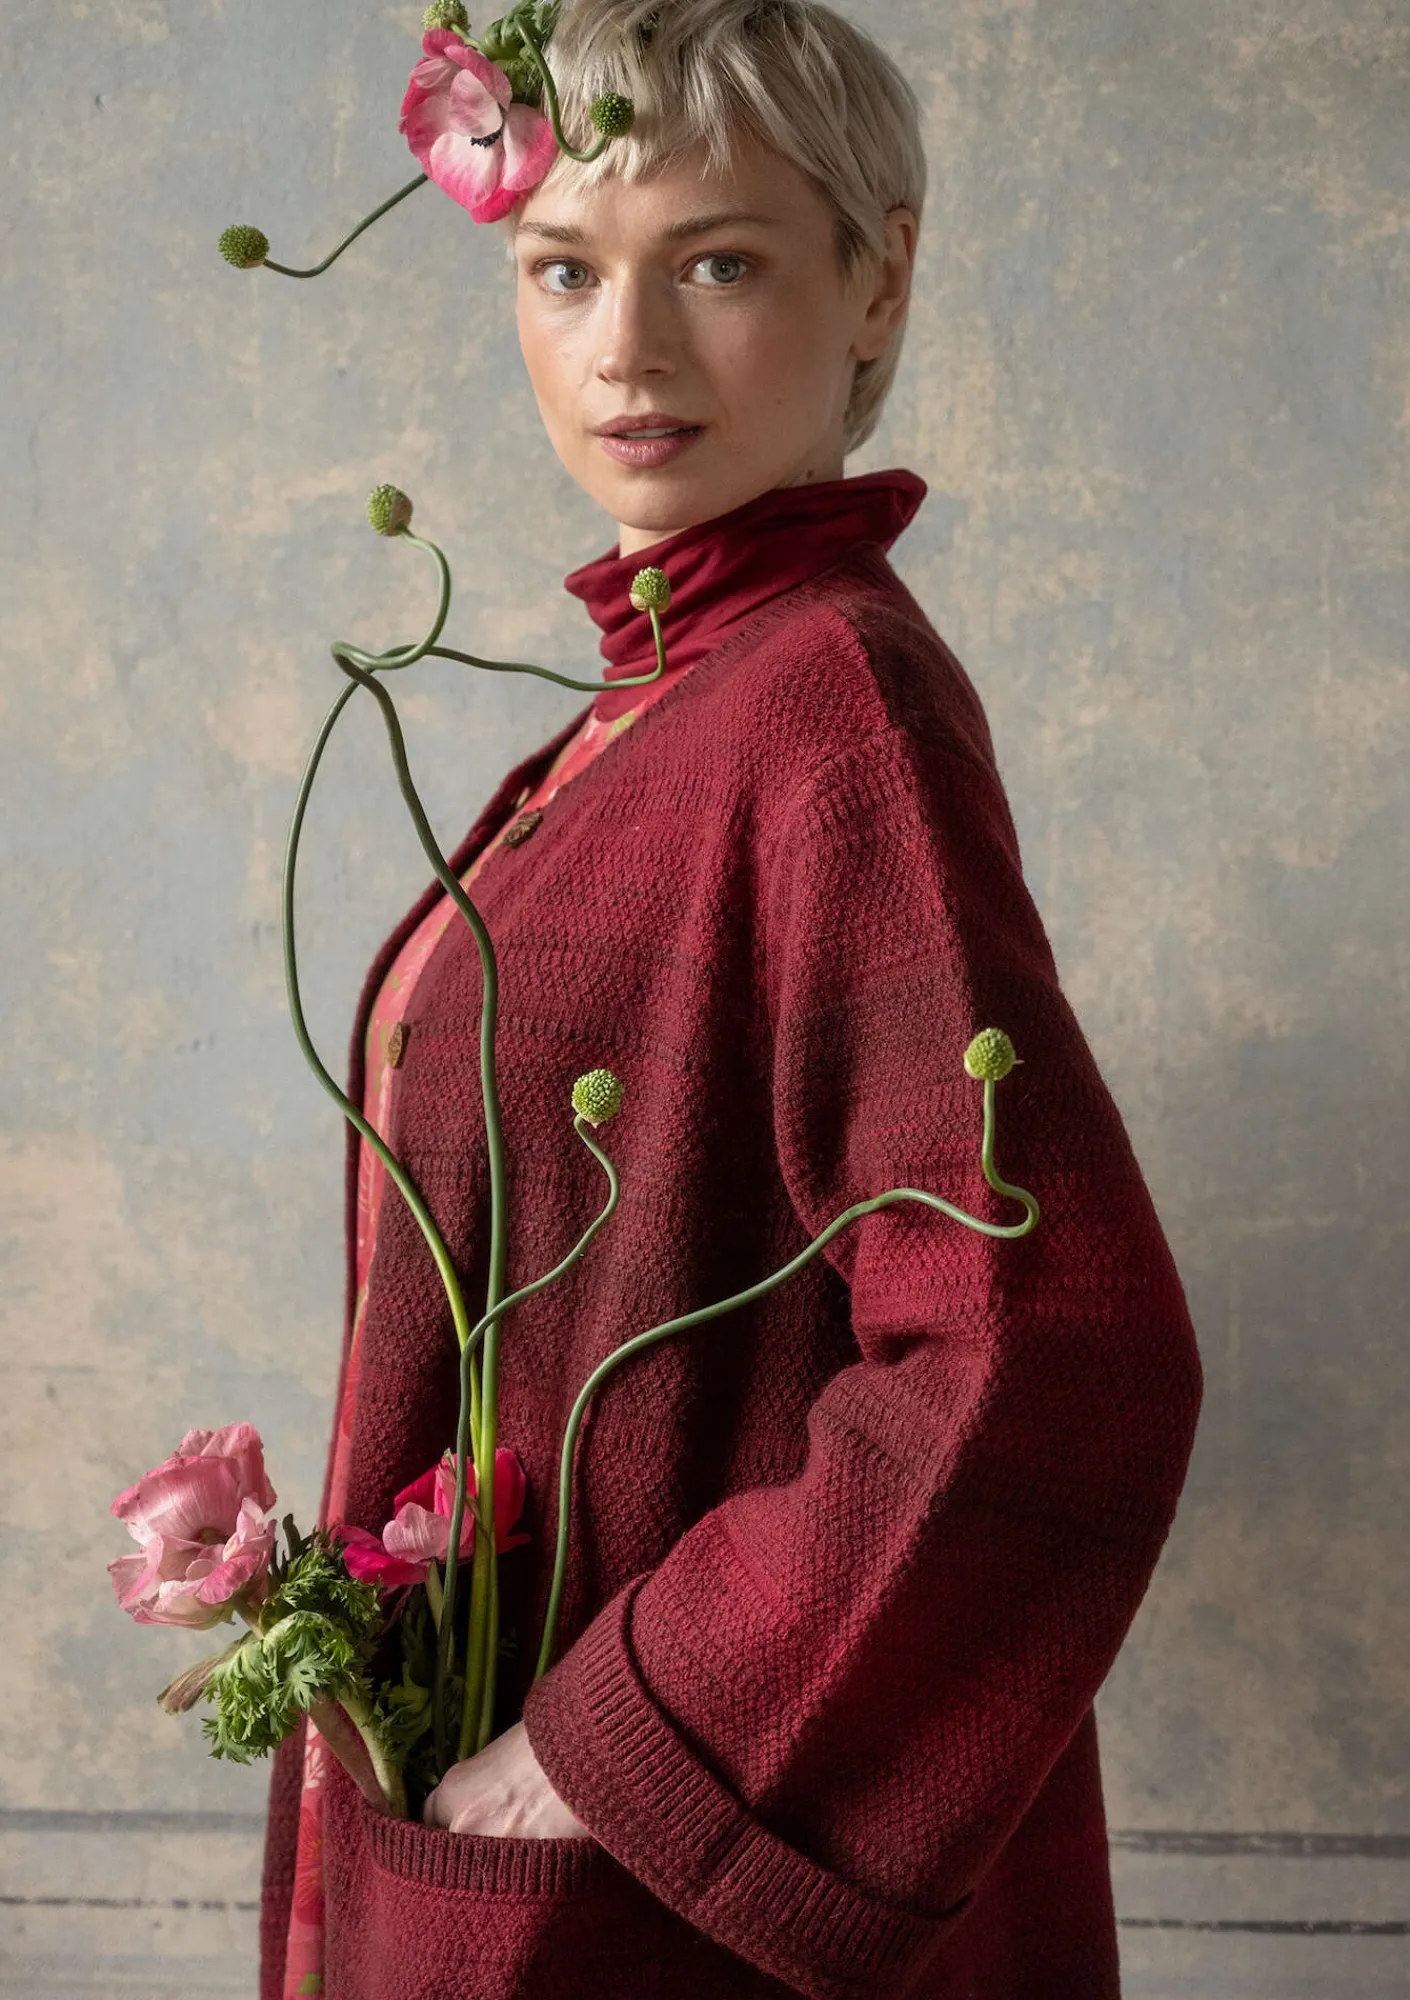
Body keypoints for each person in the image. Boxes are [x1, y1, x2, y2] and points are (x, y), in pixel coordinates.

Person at [260, 3, 1204, 1995]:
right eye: (562, 269)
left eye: (716, 263)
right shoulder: (665, 702)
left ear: (878, 278)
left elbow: (1046, 1350)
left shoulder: (828, 704)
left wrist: (629, 1746)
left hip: (655, 1883)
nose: (625, 350)